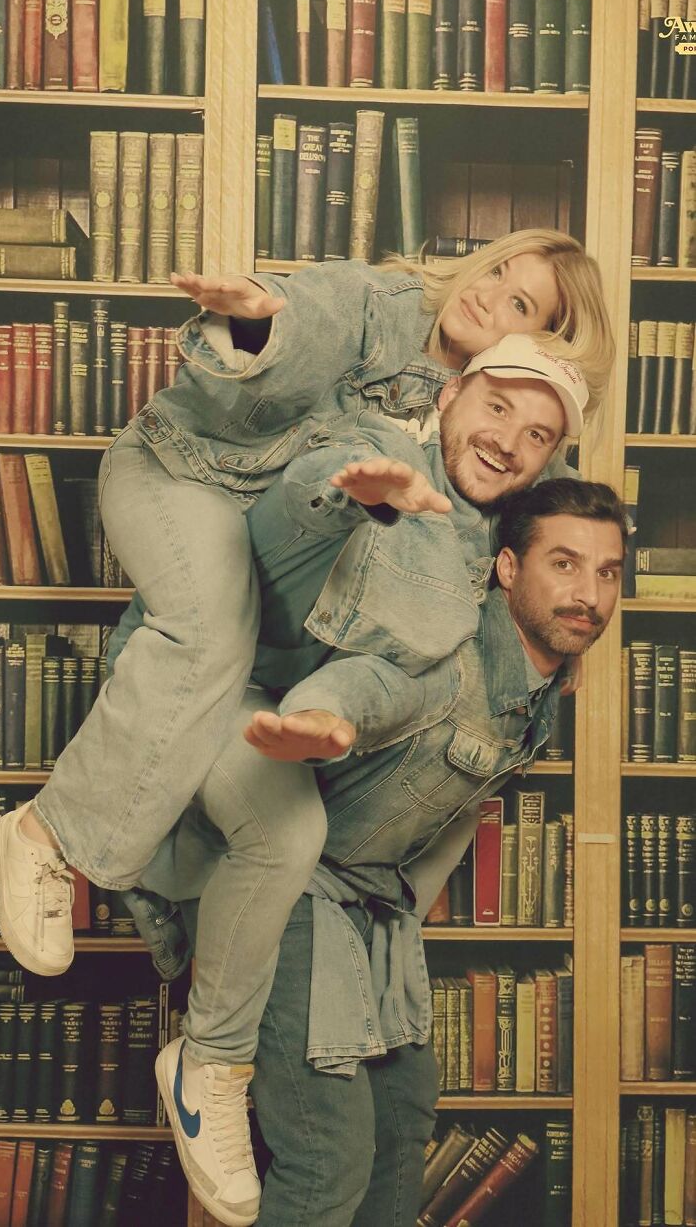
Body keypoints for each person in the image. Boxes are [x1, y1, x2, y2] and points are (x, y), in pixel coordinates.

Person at [0, 232, 614, 983]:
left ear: (543, 347)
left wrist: (566, 635)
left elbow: (559, 511)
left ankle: (151, 871)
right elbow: (315, 314)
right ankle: (45, 834)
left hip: (265, 536)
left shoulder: (502, 417)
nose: (485, 293)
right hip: (187, 471)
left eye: (518, 302)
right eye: (493, 270)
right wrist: (262, 324)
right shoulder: (386, 308)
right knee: (210, 637)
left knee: (259, 753)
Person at [129, 477, 628, 1226]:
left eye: (608, 571)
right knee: (328, 1155)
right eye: (563, 563)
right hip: (287, 893)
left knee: (402, 1126)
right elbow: (373, 684)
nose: (588, 591)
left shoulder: (541, 683)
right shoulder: (444, 647)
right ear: (506, 568)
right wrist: (318, 715)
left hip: (372, 904)